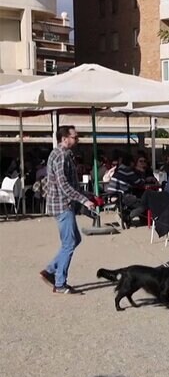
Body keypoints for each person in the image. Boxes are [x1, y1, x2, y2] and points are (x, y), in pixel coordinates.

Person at [40, 126, 96, 294]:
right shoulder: (60, 156)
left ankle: (50, 270)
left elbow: (70, 183)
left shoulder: (64, 154)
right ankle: (59, 283)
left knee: (75, 239)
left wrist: (86, 194)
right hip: (62, 205)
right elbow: (63, 185)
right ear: (64, 138)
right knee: (69, 243)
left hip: (63, 204)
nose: (77, 139)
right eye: (75, 137)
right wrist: (84, 200)